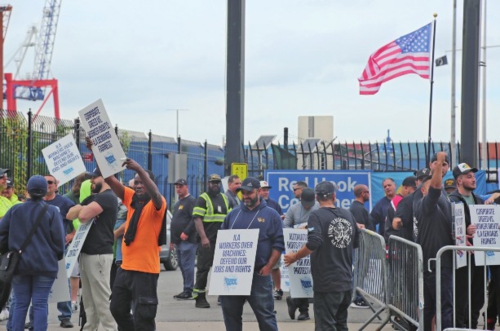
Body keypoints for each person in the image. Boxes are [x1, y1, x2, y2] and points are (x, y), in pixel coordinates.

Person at [284, 181, 359, 331]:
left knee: (325, 326)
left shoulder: (316, 216)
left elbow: (314, 242)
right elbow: (355, 242)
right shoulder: (347, 214)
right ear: (334, 196)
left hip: (327, 283)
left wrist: (294, 257)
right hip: (345, 281)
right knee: (340, 325)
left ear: (316, 198)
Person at [104, 157, 167, 331]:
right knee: (116, 308)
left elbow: (155, 195)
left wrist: (139, 168)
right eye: (136, 183)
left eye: (142, 182)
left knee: (143, 317)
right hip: (125, 268)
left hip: (145, 271)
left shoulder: (157, 204)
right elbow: (110, 179)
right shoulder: (131, 199)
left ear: (150, 183)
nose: (139, 186)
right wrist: (96, 152)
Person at [0, 175, 65, 331]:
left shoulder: (15, 209)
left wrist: (9, 251)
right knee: (40, 303)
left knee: (20, 303)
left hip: (19, 264)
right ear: (44, 191)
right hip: (45, 264)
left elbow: (2, 233)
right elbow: (59, 241)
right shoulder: (52, 212)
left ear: (27, 190)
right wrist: (55, 256)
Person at [220, 177, 284, 331]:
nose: (246, 196)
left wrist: (269, 267)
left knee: (266, 317)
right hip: (234, 274)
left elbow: (279, 244)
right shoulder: (233, 215)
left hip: (259, 274)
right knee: (231, 315)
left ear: (259, 192)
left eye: (250, 192)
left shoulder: (271, 215)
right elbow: (223, 242)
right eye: (243, 193)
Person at [66, 169, 118, 331]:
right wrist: (85, 208)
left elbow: (81, 216)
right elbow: (70, 214)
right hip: (87, 254)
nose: (92, 181)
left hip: (99, 255)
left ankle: (111, 328)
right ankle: (90, 328)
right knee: (89, 301)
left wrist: (83, 208)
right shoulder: (93, 198)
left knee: (102, 300)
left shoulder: (108, 197)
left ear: (106, 177)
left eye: (95, 177)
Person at [414, 152, 453, 331]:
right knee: (442, 307)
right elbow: (435, 187)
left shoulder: (444, 199)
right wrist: (438, 163)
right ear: (424, 190)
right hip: (434, 264)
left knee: (432, 307)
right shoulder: (425, 203)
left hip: (441, 262)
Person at [448, 163, 485, 329]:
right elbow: (449, 226)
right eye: (468, 176)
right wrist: (464, 229)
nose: (473, 179)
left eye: (473, 176)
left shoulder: (479, 200)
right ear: (459, 180)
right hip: (462, 256)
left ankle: (473, 325)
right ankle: (460, 326)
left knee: (478, 295)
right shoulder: (452, 200)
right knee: (461, 294)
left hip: (479, 255)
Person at [192, 174, 230, 308]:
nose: (215, 185)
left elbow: (230, 219)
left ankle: (223, 295)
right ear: (208, 183)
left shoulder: (225, 198)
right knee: (203, 270)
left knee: (222, 270)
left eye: (217, 183)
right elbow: (197, 219)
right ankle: (200, 297)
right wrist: (203, 237)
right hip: (207, 242)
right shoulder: (203, 198)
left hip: (222, 241)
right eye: (213, 182)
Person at [43, 174, 75, 328]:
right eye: (44, 182)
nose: (47, 185)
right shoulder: (35, 201)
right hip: (39, 249)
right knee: (37, 284)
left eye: (50, 182)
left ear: (56, 186)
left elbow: (79, 219)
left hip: (57, 249)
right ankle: (36, 316)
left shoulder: (64, 202)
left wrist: (71, 234)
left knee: (62, 282)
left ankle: (65, 316)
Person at [283, 188, 318, 321]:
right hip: (298, 247)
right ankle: (304, 311)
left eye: (311, 202)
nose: (308, 206)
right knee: (301, 277)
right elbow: (285, 226)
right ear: (300, 199)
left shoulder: (319, 208)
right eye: (305, 203)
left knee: (312, 277)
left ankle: (294, 301)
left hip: (314, 247)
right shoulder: (293, 209)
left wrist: (309, 228)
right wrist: (298, 229)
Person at [64, 172, 91, 312]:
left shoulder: (93, 198)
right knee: (74, 271)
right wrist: (71, 233)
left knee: (85, 270)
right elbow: (67, 216)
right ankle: (73, 299)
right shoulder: (69, 198)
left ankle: (82, 298)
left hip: (86, 237)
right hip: (72, 239)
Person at [171, 178, 197, 300]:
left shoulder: (191, 201)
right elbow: (174, 222)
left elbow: (194, 218)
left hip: (188, 240)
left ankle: (189, 290)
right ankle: (186, 288)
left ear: (186, 187)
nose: (178, 189)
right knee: (181, 265)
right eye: (177, 187)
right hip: (178, 241)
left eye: (180, 186)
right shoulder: (178, 203)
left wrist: (187, 232)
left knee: (187, 265)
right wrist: (172, 240)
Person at [259, 180, 284, 300]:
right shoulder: (255, 205)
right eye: (263, 190)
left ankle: (278, 289)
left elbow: (282, 218)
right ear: (258, 191)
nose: (266, 192)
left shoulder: (274, 204)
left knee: (274, 266)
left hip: (273, 240)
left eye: (267, 190)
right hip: (260, 240)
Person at [384, 176, 416, 241]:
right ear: (406, 188)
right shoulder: (399, 201)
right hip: (396, 241)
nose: (416, 191)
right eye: (414, 189)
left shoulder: (402, 200)